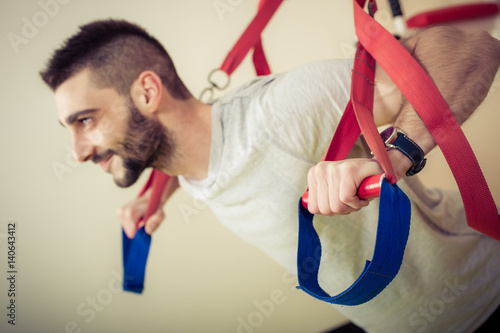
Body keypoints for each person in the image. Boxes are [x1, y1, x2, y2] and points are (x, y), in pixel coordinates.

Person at [40, 18, 500, 333]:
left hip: (480, 300)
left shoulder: (281, 112)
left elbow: (472, 48)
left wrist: (393, 157)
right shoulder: (190, 155)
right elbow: (203, 162)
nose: (78, 153)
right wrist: (154, 196)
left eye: (86, 121)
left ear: (146, 92)